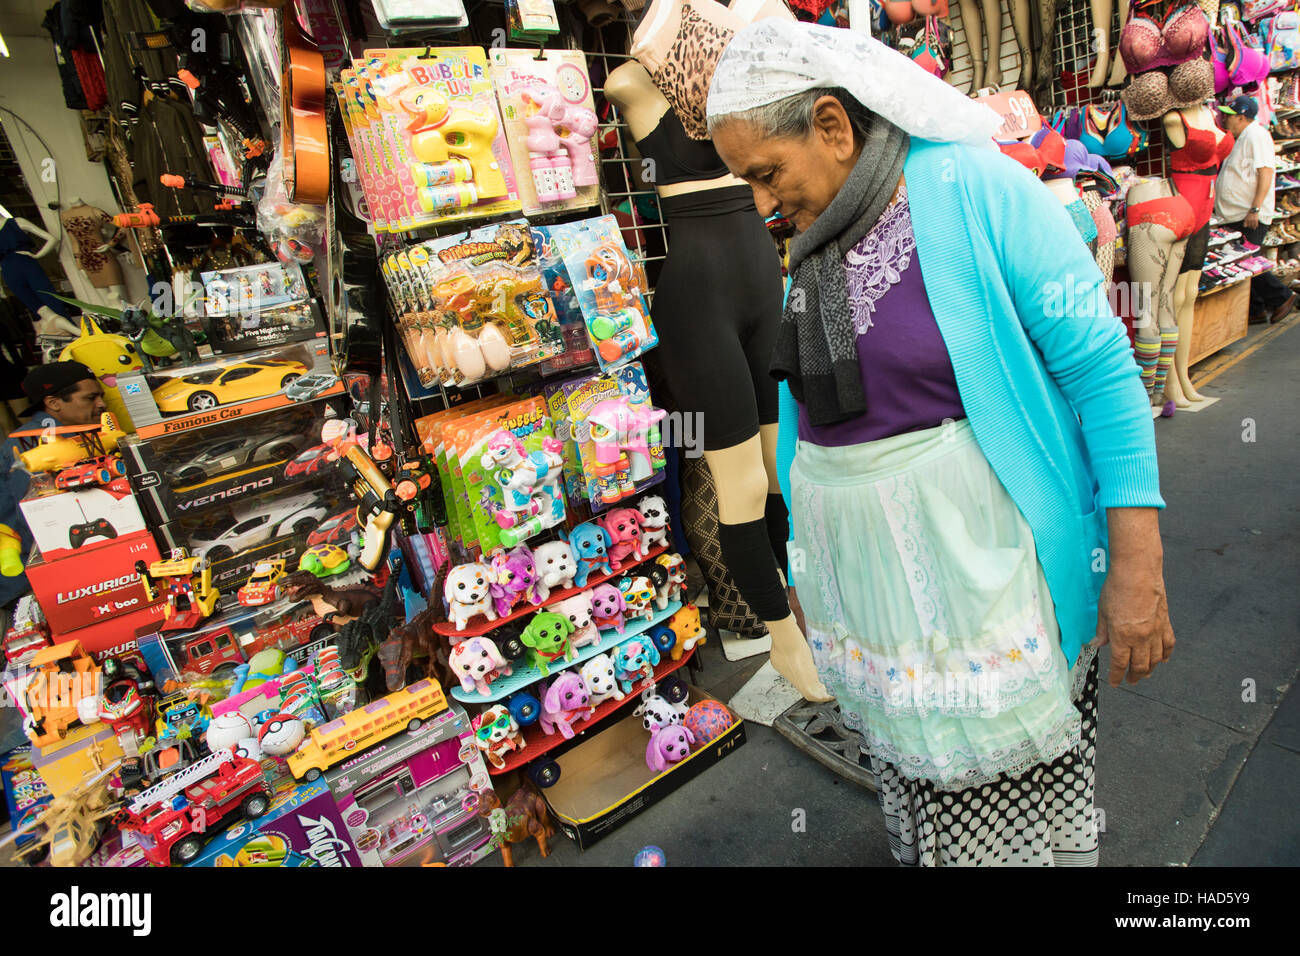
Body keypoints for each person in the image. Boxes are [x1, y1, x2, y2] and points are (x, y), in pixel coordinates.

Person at [705, 19, 1176, 866]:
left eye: (767, 174)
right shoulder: (818, 242)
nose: (766, 205)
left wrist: (1136, 562)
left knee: (999, 823)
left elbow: (1103, 370)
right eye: (750, 184)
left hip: (991, 595)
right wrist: (810, 567)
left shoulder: (974, 188)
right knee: (928, 810)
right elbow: (808, 420)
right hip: (886, 613)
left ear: (833, 126)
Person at [1216, 95, 1297, 324]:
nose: (1224, 119)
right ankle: (1256, 309)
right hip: (1238, 212)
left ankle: (1281, 296)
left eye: (1229, 116)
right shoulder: (1242, 136)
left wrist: (1255, 209)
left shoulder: (1256, 136)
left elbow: (1266, 172)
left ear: (1241, 117)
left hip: (1248, 214)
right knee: (1240, 259)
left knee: (1245, 260)